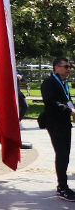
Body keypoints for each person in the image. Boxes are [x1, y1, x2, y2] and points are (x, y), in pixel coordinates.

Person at [40, 57, 75, 201]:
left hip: (65, 122)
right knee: (61, 154)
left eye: (70, 67)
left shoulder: (63, 82)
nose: (68, 69)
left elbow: (67, 99)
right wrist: (69, 110)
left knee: (65, 154)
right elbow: (49, 101)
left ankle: (63, 186)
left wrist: (73, 110)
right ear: (56, 67)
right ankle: (62, 187)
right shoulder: (49, 82)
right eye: (66, 66)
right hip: (55, 123)